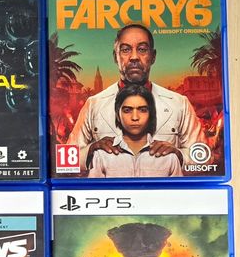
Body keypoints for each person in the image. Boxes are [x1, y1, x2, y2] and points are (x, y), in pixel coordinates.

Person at [67, 24, 205, 173]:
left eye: (142, 49)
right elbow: (66, 162)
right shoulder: (94, 104)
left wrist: (179, 155)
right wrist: (90, 150)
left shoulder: (179, 103)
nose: (134, 57)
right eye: (125, 50)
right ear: (115, 57)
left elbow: (204, 158)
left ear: (153, 56)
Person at [89, 84, 182, 178]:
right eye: (127, 110)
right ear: (118, 115)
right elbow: (94, 187)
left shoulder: (169, 157)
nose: (135, 117)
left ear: (151, 115)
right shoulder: (101, 155)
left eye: (142, 110)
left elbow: (179, 187)